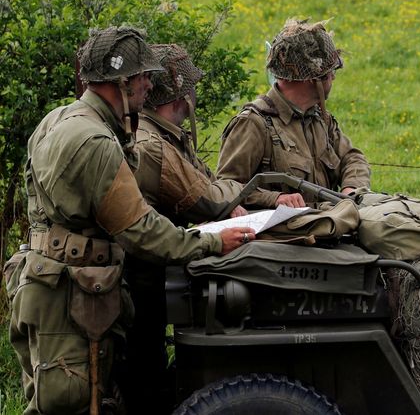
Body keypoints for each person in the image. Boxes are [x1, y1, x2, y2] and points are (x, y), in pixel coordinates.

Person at [6, 27, 254, 415]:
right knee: (73, 403)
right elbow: (139, 229)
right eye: (143, 78)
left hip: (44, 286)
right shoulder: (96, 142)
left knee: (58, 399)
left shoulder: (56, 120)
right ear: (121, 82)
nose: (149, 87)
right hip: (69, 297)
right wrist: (209, 243)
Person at [121, 43, 246, 413]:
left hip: (153, 270)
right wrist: (240, 193)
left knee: (149, 370)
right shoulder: (155, 145)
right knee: (145, 376)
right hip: (142, 278)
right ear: (180, 95)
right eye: (189, 88)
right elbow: (211, 198)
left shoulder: (166, 136)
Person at [217, 18, 370, 208]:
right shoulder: (254, 124)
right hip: (281, 234)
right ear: (312, 79)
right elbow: (226, 188)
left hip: (329, 223)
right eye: (329, 73)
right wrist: (275, 199)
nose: (333, 77)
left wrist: (351, 190)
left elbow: (352, 158)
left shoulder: (319, 118)